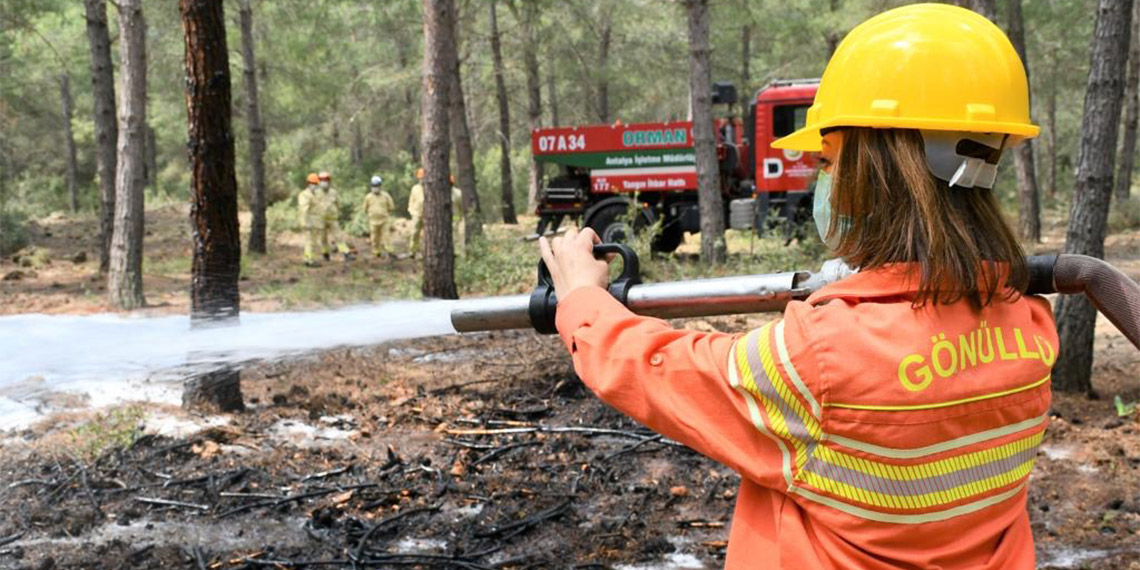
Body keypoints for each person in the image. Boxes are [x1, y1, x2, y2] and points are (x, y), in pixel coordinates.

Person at [538, 5, 1056, 569]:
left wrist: (582, 300)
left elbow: (661, 370)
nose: (820, 178)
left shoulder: (821, 357)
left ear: (877, 169)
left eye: (829, 160)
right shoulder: (1029, 326)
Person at [318, 171, 353, 261]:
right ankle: (325, 254)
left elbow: (338, 204)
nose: (323, 182)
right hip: (320, 220)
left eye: (325, 180)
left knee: (338, 236)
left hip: (333, 219)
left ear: (329, 181)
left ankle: (346, 253)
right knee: (323, 238)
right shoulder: (316, 193)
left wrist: (339, 213)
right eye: (321, 180)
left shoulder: (334, 192)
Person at [362, 175, 395, 259]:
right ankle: (376, 252)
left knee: (387, 237)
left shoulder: (386, 196)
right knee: (374, 238)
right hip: (373, 221)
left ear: (380, 186)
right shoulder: (368, 197)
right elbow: (365, 208)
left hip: (384, 220)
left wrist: (386, 214)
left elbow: (391, 207)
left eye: (377, 186)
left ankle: (390, 252)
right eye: (374, 186)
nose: (375, 188)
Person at [297, 172, 324, 267]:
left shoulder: (315, 195)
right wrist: (305, 222)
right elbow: (303, 209)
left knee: (313, 243)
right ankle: (310, 260)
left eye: (316, 184)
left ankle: (308, 258)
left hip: (316, 223)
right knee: (309, 242)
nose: (315, 186)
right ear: (308, 183)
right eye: (313, 184)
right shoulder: (304, 195)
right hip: (309, 223)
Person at [407, 168, 425, 258]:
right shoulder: (415, 188)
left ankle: (424, 251)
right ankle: (413, 251)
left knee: (426, 235)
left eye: (423, 178)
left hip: (427, 216)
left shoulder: (430, 188)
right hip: (416, 215)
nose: (422, 180)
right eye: (420, 178)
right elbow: (411, 201)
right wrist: (411, 211)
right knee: (414, 233)